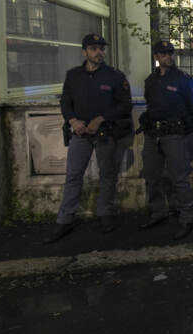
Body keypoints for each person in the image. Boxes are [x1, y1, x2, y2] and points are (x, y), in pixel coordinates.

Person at [43, 33, 132, 243]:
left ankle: (105, 215)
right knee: (73, 176)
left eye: (101, 48)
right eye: (93, 49)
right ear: (84, 52)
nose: (99, 52)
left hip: (105, 133)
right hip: (80, 134)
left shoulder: (114, 76)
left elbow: (125, 106)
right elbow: (65, 102)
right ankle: (65, 220)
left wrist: (101, 119)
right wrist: (73, 120)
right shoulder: (73, 76)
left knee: (107, 175)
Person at [138, 40, 193, 240]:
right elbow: (150, 105)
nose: (168, 56)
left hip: (175, 134)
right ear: (156, 57)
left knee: (179, 178)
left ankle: (186, 217)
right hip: (153, 134)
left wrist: (183, 129)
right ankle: (158, 212)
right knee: (152, 175)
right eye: (164, 53)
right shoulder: (151, 80)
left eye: (171, 53)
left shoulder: (183, 79)